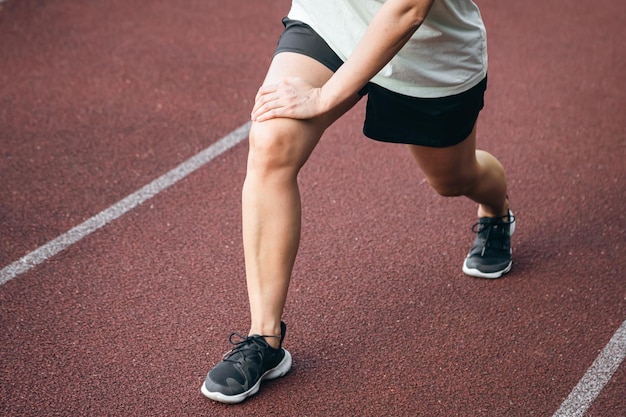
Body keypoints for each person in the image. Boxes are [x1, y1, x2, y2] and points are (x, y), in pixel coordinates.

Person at [201, 0, 516, 404]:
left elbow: (408, 9)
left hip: (426, 52)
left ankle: (495, 209)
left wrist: (324, 96)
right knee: (272, 139)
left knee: (453, 178)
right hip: (332, 21)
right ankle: (264, 338)